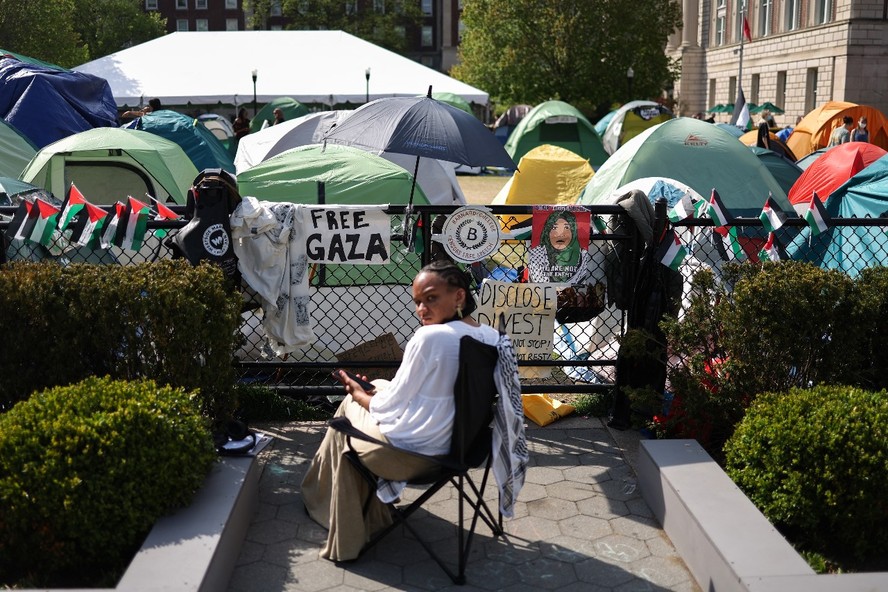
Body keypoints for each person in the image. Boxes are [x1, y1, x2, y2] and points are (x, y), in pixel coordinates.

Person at [300, 260, 510, 562]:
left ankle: (332, 509)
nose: (422, 309)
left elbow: (390, 406)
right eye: (418, 302)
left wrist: (358, 394)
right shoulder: (493, 338)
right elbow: (432, 394)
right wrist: (374, 389)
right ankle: (366, 509)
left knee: (346, 413)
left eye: (431, 298)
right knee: (382, 382)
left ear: (459, 297)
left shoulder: (430, 337)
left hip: (412, 456)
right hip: (466, 449)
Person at [527, 209, 592, 283]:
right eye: (554, 228)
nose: (561, 234)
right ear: (547, 231)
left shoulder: (582, 256)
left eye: (566, 228)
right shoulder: (537, 254)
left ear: (573, 232)